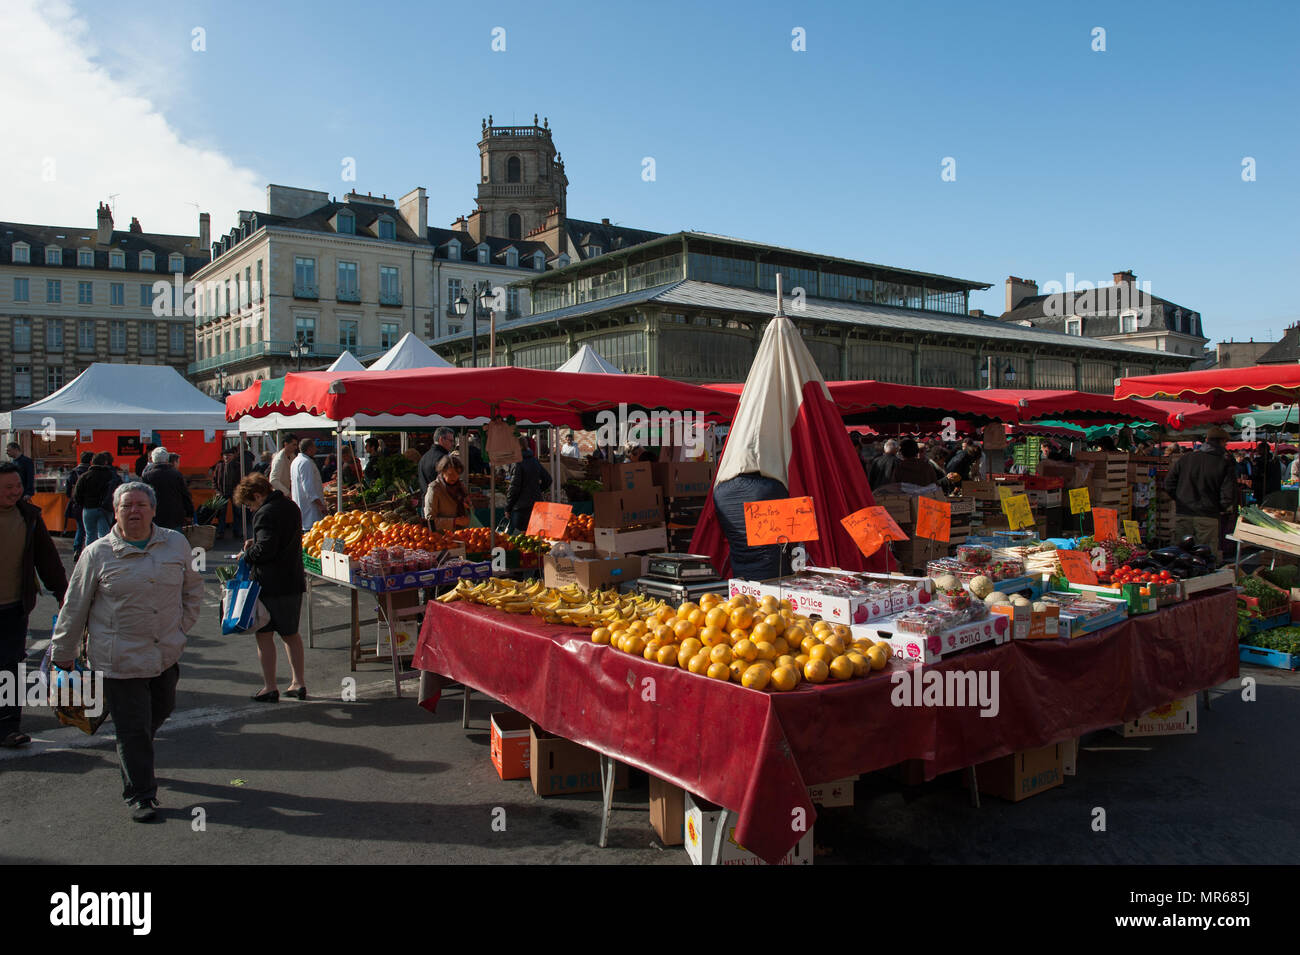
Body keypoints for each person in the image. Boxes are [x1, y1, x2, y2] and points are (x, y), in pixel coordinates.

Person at [50, 481, 203, 820]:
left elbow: (193, 589)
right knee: (132, 727)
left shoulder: (175, 543)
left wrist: (181, 627)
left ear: (153, 509)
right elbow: (74, 606)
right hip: (118, 657)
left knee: (161, 708)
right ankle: (141, 795)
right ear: (115, 512)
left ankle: (133, 756)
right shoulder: (97, 553)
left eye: (140, 505)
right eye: (126, 506)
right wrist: (63, 650)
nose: (134, 511)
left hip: (165, 652)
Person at [0, 462, 68, 748]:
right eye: (8, 487)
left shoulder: (28, 515)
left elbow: (47, 558)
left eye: (17, 486)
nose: (15, 492)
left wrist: (63, 593)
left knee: (10, 667)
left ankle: (8, 726)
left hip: (14, 606)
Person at [234, 473, 307, 702]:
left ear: (258, 495)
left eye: (250, 504)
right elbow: (281, 540)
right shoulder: (291, 506)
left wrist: (246, 554)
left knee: (264, 635)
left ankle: (270, 686)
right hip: (292, 579)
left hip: (270, 583)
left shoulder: (266, 513)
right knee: (291, 634)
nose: (251, 509)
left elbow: (266, 550)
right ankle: (298, 682)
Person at [1163, 426, 1236, 560]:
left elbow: (1168, 484)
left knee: (1180, 556)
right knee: (1205, 557)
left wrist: (1180, 500)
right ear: (1222, 442)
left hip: (1184, 513)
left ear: (1206, 440)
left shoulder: (1186, 459)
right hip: (1208, 516)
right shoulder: (1224, 463)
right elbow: (1228, 493)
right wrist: (1219, 508)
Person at [73, 452, 123, 544]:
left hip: (89, 508)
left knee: (90, 534)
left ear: (92, 462)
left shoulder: (85, 476)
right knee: (104, 535)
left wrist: (83, 504)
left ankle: (90, 556)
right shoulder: (112, 476)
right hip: (106, 509)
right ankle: (105, 555)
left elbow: (77, 494)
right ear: (105, 462)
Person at [141, 447, 195, 531]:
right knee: (174, 541)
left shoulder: (147, 475)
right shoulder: (176, 474)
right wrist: (189, 513)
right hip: (174, 515)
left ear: (153, 459)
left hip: (155, 515)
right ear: (167, 459)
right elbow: (185, 495)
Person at [505, 437, 551, 532]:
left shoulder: (517, 463)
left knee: (519, 538)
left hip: (521, 507)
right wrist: (536, 490)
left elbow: (514, 488)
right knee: (534, 536)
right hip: (536, 503)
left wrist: (508, 508)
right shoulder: (534, 460)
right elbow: (548, 479)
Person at [425, 454, 471, 531]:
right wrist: (454, 521)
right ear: (442, 471)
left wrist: (468, 507)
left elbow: (470, 510)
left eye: (457, 474)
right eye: (450, 474)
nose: (454, 477)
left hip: (462, 533)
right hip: (442, 536)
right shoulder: (434, 489)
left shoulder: (461, 487)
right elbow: (430, 520)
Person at [290, 438, 325, 530]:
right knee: (318, 537)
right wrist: (320, 505)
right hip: (310, 511)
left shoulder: (296, 461)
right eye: (314, 447)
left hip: (302, 508)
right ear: (309, 448)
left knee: (312, 538)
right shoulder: (305, 462)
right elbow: (308, 487)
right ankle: (329, 545)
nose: (316, 449)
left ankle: (327, 545)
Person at [418, 427, 457, 510]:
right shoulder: (444, 459)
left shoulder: (423, 458)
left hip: (426, 504)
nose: (452, 444)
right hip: (440, 507)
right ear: (441, 440)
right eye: (450, 441)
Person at [65, 451, 93, 560]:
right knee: (90, 529)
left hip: (76, 504)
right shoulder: (91, 472)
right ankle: (89, 551)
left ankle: (77, 549)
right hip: (90, 504)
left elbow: (68, 491)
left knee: (80, 528)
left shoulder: (74, 472)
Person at [212, 447, 242, 540]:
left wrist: (238, 491)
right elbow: (214, 480)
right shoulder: (219, 466)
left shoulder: (238, 466)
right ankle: (221, 532)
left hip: (234, 493)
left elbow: (241, 479)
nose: (226, 457)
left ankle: (237, 532)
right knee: (221, 514)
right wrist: (217, 491)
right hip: (222, 493)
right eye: (225, 456)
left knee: (237, 512)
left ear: (233, 456)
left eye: (229, 455)